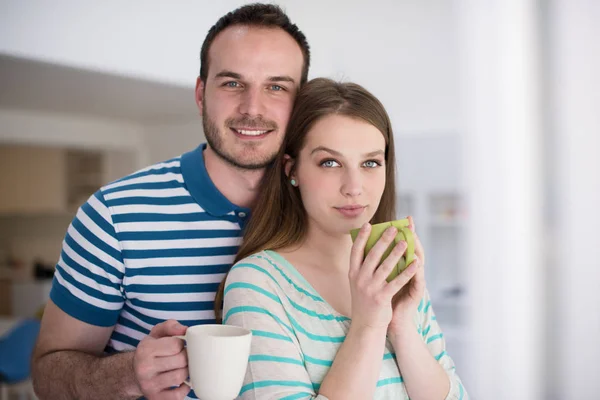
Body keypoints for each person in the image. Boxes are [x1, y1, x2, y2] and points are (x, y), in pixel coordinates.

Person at [31, 4, 310, 400]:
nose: (253, 108)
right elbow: (47, 374)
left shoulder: (320, 213)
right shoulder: (113, 216)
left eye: (277, 87)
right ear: (201, 94)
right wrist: (130, 373)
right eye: (232, 83)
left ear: (301, 103)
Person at [218, 78, 468, 399]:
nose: (354, 186)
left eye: (370, 163)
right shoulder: (257, 283)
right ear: (291, 169)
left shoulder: (390, 269)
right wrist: (368, 325)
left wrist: (402, 324)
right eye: (330, 163)